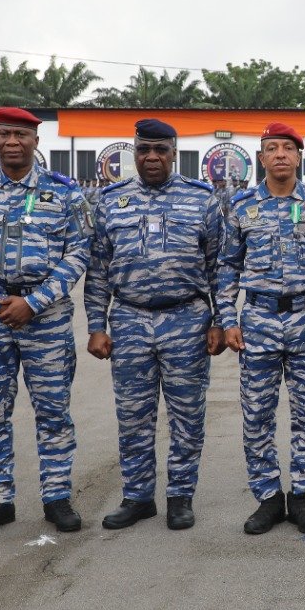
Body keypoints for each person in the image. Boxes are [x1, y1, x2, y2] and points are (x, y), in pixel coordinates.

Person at [0, 106, 90, 536]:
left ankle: (57, 496)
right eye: (4, 134)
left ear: (35, 142)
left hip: (47, 321)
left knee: (53, 413)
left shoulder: (65, 193)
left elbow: (78, 253)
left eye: (21, 135)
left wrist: (35, 302)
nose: (12, 142)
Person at [86, 118, 225, 532]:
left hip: (186, 319)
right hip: (128, 318)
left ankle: (180, 495)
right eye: (144, 149)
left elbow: (219, 267)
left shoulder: (203, 200)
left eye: (160, 150)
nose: (151, 157)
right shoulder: (111, 200)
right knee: (133, 414)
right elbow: (98, 271)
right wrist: (97, 325)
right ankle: (138, 496)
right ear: (134, 151)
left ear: (174, 153)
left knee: (187, 414)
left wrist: (219, 320)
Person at [215, 122, 305, 536]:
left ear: (299, 157)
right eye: (272, 148)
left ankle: (300, 496)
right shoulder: (242, 206)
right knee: (257, 414)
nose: (280, 154)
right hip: (259, 321)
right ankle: (267, 497)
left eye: (288, 147)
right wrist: (227, 319)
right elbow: (227, 266)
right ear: (261, 158)